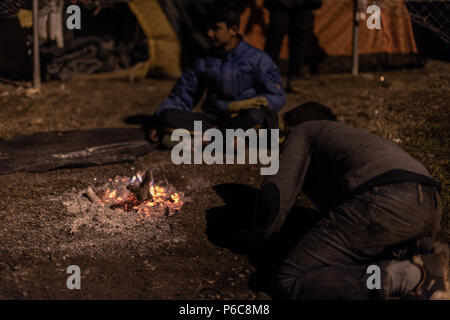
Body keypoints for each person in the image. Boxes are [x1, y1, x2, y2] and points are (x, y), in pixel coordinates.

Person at [249, 102, 449, 300]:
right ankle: (431, 252)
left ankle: (409, 277)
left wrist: (259, 239)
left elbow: (273, 195)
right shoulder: (349, 140)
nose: (283, 142)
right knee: (375, 247)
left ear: (294, 126)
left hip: (386, 196)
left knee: (289, 279)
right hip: (430, 203)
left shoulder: (303, 130)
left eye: (285, 134)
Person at [148, 5, 286, 145]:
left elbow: (277, 96)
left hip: (243, 118)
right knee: (167, 117)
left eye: (215, 29)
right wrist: (157, 120)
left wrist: (244, 104)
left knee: (256, 117)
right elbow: (183, 95)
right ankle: (222, 139)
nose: (209, 34)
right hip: (214, 119)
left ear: (233, 30)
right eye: (208, 29)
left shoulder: (258, 59)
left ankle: (203, 139)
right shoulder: (204, 61)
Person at [264, 0, 322, 92]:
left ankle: (295, 76)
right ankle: (267, 79)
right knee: (275, 38)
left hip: (302, 4)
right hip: (280, 4)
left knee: (299, 37)